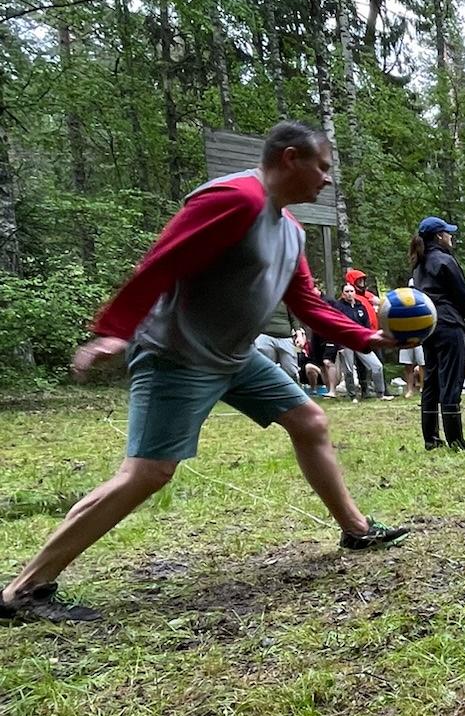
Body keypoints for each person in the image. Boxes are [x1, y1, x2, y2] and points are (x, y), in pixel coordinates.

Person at [1, 121, 406, 622]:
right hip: (179, 356)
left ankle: (356, 530)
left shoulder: (290, 230)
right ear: (289, 158)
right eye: (321, 167)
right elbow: (163, 261)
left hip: (235, 357)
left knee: (309, 421)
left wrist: (367, 337)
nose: (327, 179)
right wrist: (117, 329)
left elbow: (306, 303)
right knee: (146, 473)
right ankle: (24, 589)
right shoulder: (234, 199)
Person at [409, 217, 465, 451]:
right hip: (449, 324)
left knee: (431, 381)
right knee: (451, 380)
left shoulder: (419, 263)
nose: (451, 236)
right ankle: (456, 440)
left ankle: (431, 438)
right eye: (448, 233)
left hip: (428, 326)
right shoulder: (445, 260)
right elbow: (462, 294)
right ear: (439, 236)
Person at [336, 283, 386, 400]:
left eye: (351, 291)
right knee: (349, 370)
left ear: (355, 293)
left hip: (361, 341)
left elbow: (366, 325)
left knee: (377, 366)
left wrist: (369, 339)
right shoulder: (339, 307)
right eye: (347, 292)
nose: (349, 294)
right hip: (346, 341)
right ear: (343, 294)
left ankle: (380, 393)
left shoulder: (361, 306)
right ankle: (353, 395)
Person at [253, 306, 300, 384]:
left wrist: (299, 334)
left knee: (291, 370)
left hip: (285, 337)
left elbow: (294, 316)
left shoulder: (287, 299)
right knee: (265, 370)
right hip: (264, 335)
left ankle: (291, 389)